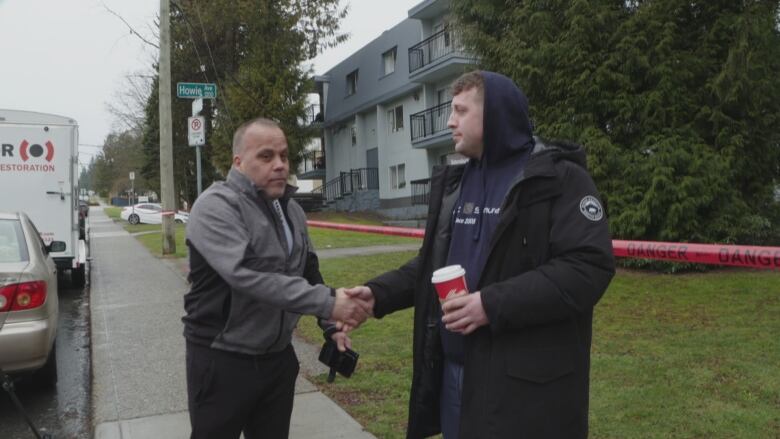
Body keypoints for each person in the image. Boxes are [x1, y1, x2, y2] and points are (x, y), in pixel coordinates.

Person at [346, 71, 615, 438]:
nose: (449, 122)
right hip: (458, 376)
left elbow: (587, 268)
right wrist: (379, 293)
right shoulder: (458, 184)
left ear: (495, 115)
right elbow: (434, 263)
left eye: (460, 111)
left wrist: (490, 304)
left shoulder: (559, 179)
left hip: (528, 389)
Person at [182, 117, 370, 439]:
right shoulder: (216, 206)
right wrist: (328, 303)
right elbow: (248, 276)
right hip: (223, 359)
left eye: (284, 156)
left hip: (278, 361)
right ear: (238, 161)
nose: (280, 165)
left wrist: (330, 325)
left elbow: (308, 272)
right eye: (266, 156)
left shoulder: (292, 211)